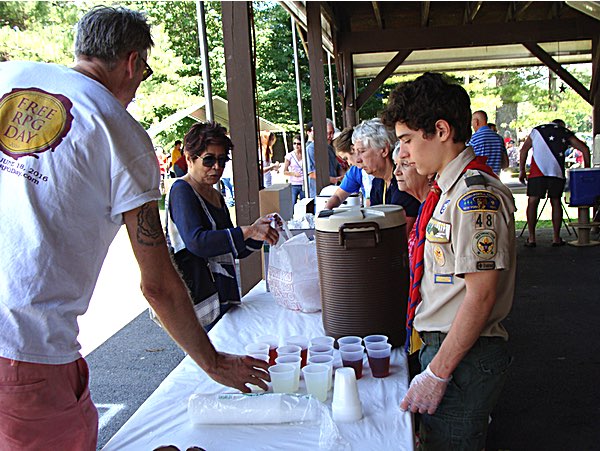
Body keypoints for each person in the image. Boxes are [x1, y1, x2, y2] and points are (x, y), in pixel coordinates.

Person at [0, 7, 270, 449]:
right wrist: (215, 363)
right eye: (144, 71)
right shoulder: (119, 130)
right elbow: (158, 284)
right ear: (131, 62)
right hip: (25, 350)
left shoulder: (8, 75)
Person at [382, 72, 516, 449]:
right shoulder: (447, 189)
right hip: (447, 346)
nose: (402, 153)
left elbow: (481, 296)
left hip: (462, 355)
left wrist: (438, 372)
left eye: (407, 140)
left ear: (441, 130)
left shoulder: (474, 196)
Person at [166, 122, 278, 330]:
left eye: (222, 160)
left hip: (222, 295)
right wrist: (249, 231)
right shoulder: (182, 190)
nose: (216, 167)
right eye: (208, 160)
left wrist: (258, 232)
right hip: (197, 300)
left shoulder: (215, 195)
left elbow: (234, 249)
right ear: (190, 158)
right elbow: (197, 242)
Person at [519, 119, 590, 247]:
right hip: (556, 172)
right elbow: (584, 149)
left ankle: (531, 238)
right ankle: (556, 238)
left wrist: (522, 171)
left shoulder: (536, 130)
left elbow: (523, 150)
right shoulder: (564, 131)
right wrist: (587, 169)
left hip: (537, 172)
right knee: (556, 201)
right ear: (561, 125)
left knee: (533, 201)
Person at [353, 118, 421, 233]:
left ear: (384, 150)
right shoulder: (378, 182)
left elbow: (399, 236)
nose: (357, 160)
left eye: (362, 151)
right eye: (355, 152)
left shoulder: (403, 180)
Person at [325, 127, 373, 209]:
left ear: (353, 149)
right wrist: (326, 211)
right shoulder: (355, 171)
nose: (348, 163)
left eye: (346, 158)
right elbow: (338, 196)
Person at [306, 118, 342, 197]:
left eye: (332, 133)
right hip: (319, 194)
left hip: (333, 190)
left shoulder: (330, 148)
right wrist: (334, 179)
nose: (331, 136)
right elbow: (312, 173)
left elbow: (337, 167)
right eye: (328, 133)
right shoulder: (311, 149)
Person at [469, 110, 508, 175]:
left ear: (476, 122)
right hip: (495, 179)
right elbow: (505, 164)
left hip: (480, 179)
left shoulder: (473, 139)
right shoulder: (499, 139)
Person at [283, 134, 305, 205]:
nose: (296, 146)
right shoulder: (290, 156)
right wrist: (294, 174)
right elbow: (285, 171)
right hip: (294, 183)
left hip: (303, 183)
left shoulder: (305, 154)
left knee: (304, 203)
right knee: (292, 203)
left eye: (298, 144)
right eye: (294, 143)